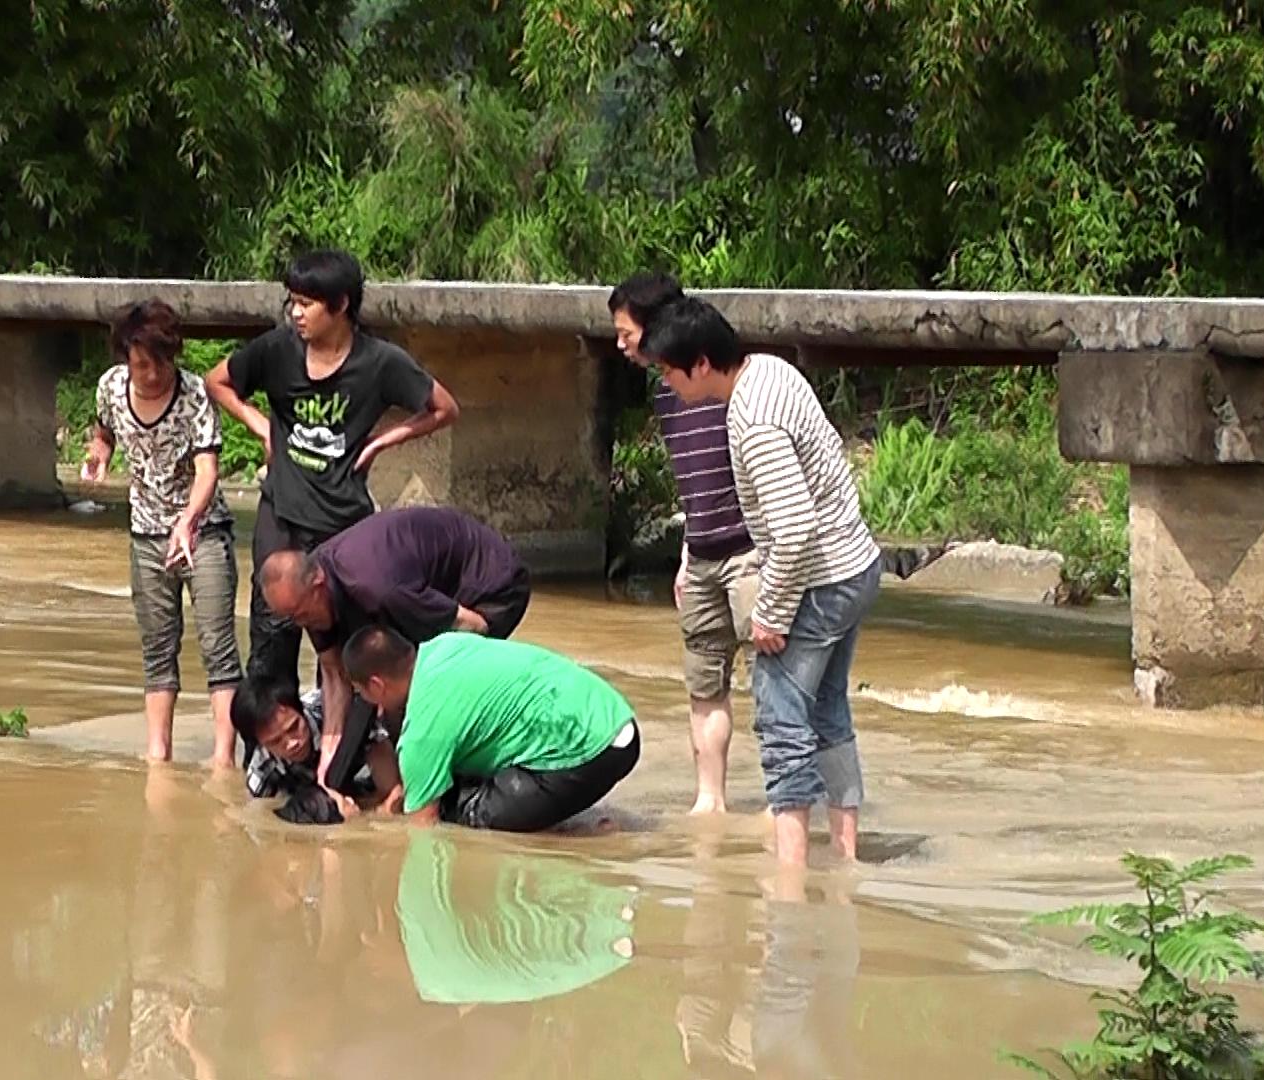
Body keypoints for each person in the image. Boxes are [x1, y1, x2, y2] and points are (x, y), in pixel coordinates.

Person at [641, 297, 882, 865]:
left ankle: (790, 874)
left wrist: (771, 611)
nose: (667, 383)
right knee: (828, 714)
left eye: (669, 371)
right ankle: (845, 857)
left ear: (701, 364)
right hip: (855, 565)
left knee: (780, 725)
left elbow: (795, 528)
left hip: (820, 578)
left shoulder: (752, 420)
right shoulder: (774, 369)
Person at [203, 249, 460, 694]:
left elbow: (444, 408)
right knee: (271, 639)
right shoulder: (277, 350)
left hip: (343, 526)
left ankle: (350, 749)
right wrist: (260, 425)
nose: (296, 313)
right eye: (293, 302)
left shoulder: (380, 362)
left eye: (307, 303)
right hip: (281, 515)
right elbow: (216, 381)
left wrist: (385, 439)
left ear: (340, 306)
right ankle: (269, 755)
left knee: (352, 649)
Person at [609, 271, 756, 815]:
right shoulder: (667, 397)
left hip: (751, 554)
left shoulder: (724, 382)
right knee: (703, 681)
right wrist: (689, 553)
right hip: (703, 557)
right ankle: (709, 801)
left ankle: (787, 802)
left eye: (626, 333)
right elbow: (692, 481)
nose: (621, 344)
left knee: (773, 685)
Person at [256, 505, 531, 780]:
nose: (302, 624)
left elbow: (472, 626)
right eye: (292, 618)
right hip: (421, 588)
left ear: (318, 584)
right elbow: (334, 673)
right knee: (387, 692)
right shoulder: (309, 596)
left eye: (301, 614)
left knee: (416, 692)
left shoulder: (379, 588)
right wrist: (328, 765)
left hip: (491, 585)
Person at [85, 300, 241, 766]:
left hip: (202, 532)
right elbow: (104, 433)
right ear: (125, 360)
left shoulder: (194, 395)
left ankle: (222, 758)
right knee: (157, 647)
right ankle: (158, 755)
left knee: (217, 644)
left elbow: (207, 471)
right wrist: (99, 455)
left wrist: (187, 522)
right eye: (140, 365)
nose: (151, 375)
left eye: (160, 363)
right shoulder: (111, 388)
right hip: (146, 535)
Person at [342, 627, 640, 833]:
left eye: (361, 692)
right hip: (613, 714)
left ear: (377, 685)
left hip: (594, 750)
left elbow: (423, 832)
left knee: (460, 814)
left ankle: (586, 838)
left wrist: (379, 823)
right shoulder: (446, 645)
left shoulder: (421, 734)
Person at [230, 680, 400, 825]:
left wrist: (367, 820)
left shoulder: (344, 716)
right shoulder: (262, 768)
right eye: (275, 741)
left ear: (301, 710)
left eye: (294, 727)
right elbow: (262, 819)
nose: (292, 743)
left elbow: (393, 792)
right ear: (261, 745)